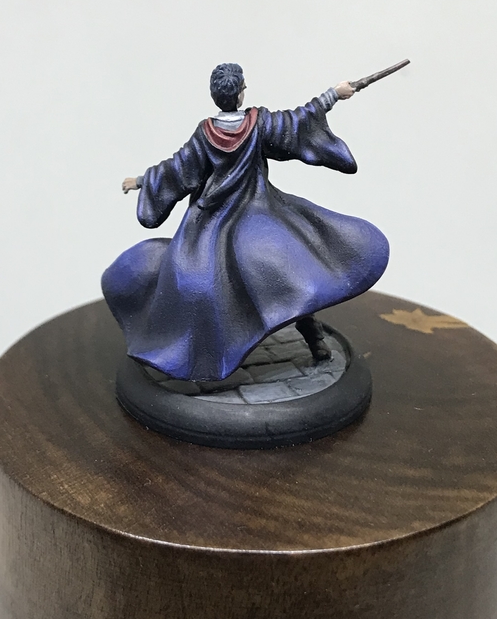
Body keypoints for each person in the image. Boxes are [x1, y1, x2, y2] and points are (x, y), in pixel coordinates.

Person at [102, 63, 389, 382]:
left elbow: (178, 169)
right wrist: (332, 94)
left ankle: (306, 340)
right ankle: (310, 340)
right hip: (257, 215)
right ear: (240, 94)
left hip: (212, 222)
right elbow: (298, 120)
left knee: (218, 278)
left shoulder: (206, 132)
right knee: (299, 270)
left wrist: (142, 181)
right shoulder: (258, 123)